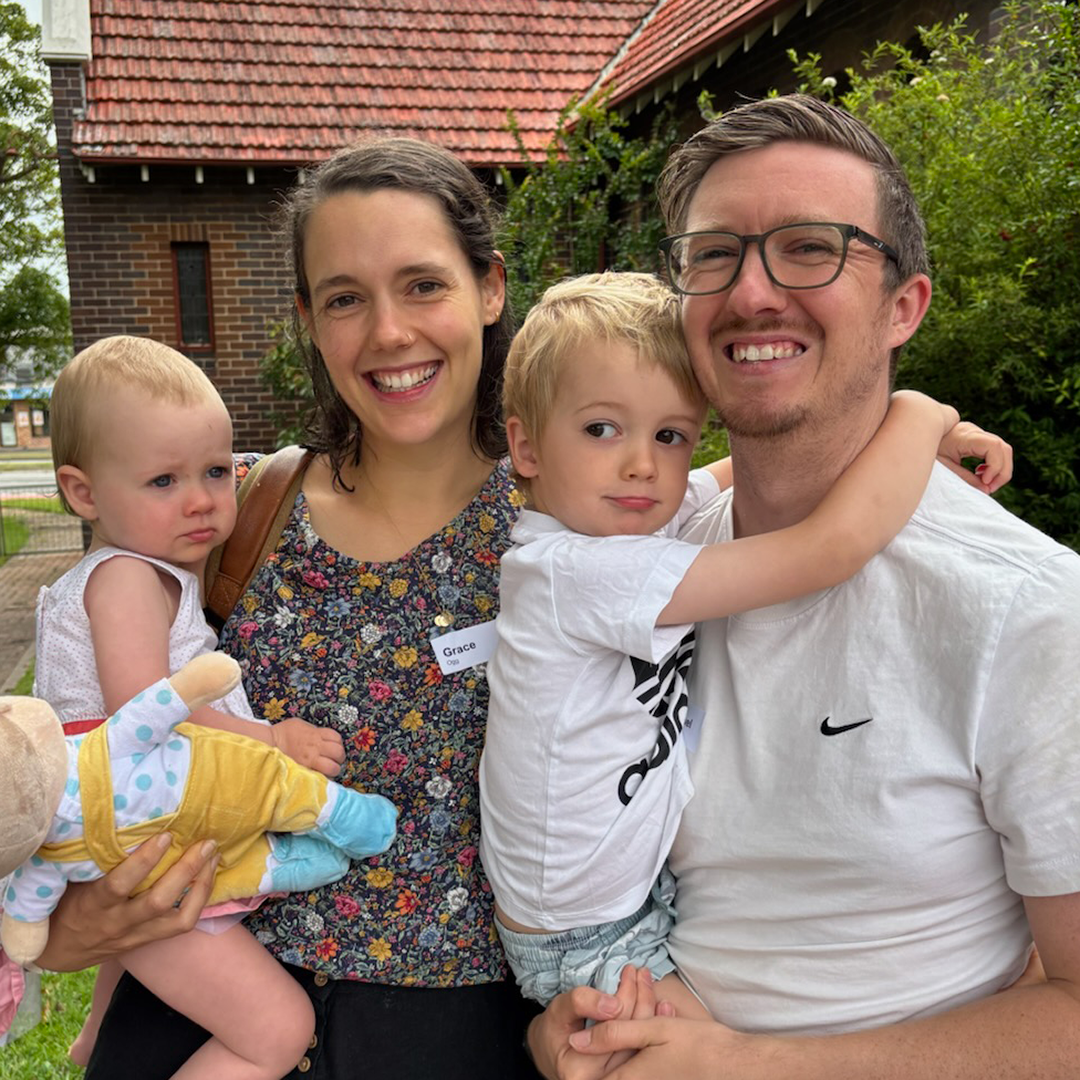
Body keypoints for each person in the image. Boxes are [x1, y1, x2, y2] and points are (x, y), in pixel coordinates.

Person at [530, 94, 1080, 1079]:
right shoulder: (642, 552)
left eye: (810, 249)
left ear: (902, 305)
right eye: (715, 255)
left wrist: (749, 1063)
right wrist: (579, 1021)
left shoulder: (1027, 608)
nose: (751, 294)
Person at [33, 138, 541, 1080]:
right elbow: (88, 757)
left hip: (448, 1025)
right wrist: (74, 931)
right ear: (310, 319)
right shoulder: (240, 513)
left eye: (423, 284)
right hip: (202, 992)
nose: (388, 331)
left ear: (490, 289)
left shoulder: (561, 530)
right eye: (345, 297)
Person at [480, 271, 1007, 1016]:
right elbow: (830, 548)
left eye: (671, 434)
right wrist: (919, 414)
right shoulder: (576, 571)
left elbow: (741, 472)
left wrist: (909, 444)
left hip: (631, 896)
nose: (642, 463)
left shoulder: (626, 516)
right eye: (602, 429)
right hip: (585, 937)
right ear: (526, 448)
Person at [24, 335, 394, 1080]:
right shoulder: (130, 579)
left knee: (136, 966)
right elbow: (148, 709)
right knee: (278, 1030)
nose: (201, 499)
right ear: (84, 492)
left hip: (123, 841)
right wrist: (273, 741)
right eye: (163, 480)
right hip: (135, 854)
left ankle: (94, 1036)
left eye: (217, 470)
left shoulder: (146, 568)